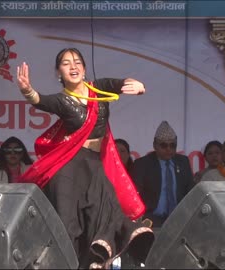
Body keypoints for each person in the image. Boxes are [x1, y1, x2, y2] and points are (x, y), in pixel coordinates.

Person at [15, 48, 154, 269]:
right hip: (68, 169)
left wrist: (136, 85)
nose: (73, 67)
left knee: (107, 208)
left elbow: (120, 83)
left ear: (85, 68)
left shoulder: (98, 88)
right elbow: (41, 101)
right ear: (59, 72)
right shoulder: (62, 101)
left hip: (94, 164)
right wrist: (28, 91)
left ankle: (96, 261)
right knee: (69, 225)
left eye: (78, 62)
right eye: (66, 63)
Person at [131, 121, 195, 228]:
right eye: (164, 145)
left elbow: (190, 190)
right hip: (151, 217)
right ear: (155, 145)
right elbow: (136, 194)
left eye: (172, 145)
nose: (168, 149)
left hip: (179, 217)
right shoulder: (143, 164)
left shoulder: (183, 162)